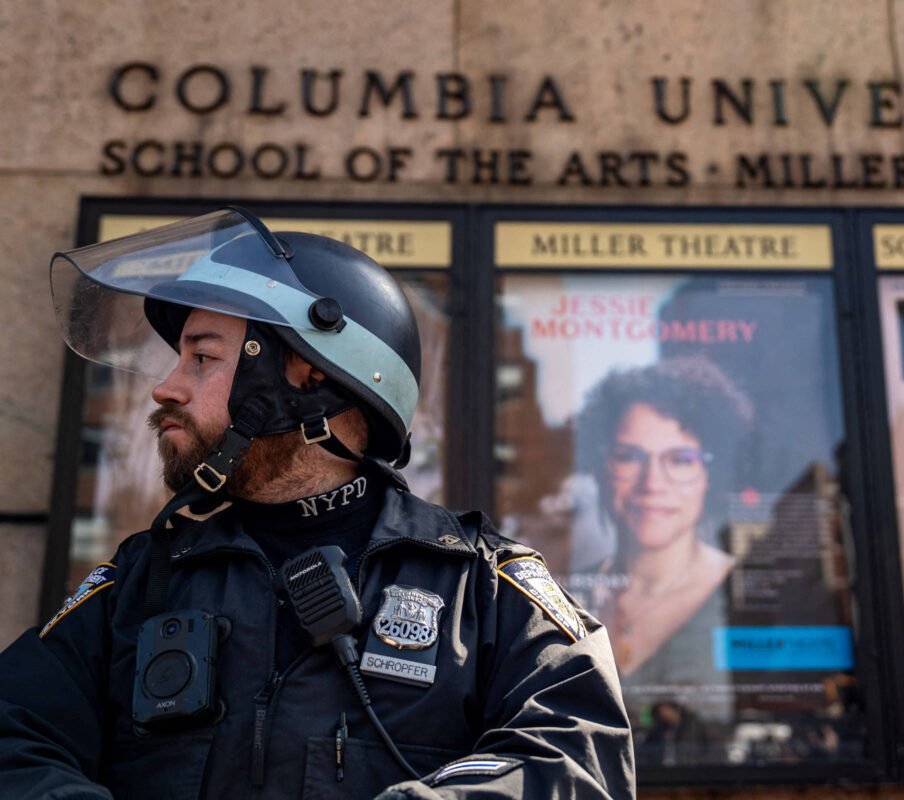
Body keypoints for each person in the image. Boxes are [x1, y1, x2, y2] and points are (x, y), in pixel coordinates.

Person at [0, 208, 634, 799]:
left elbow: (577, 756)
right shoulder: (143, 579)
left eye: (202, 358)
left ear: (308, 377)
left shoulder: (481, 588)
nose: (167, 388)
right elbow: (15, 733)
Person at [574, 356, 753, 683]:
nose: (652, 483)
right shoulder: (564, 593)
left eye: (681, 460)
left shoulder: (744, 593)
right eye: (628, 457)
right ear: (601, 468)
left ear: (710, 475)